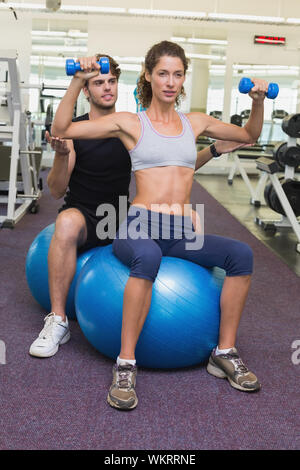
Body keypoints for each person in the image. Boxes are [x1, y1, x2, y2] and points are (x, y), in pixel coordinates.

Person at [51, 41, 267, 410]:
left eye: (178, 74)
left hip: (180, 233)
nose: (170, 81)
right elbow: (64, 127)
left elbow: (249, 136)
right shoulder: (130, 123)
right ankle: (126, 363)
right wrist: (78, 82)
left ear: (184, 79)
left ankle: (224, 351)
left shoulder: (194, 123)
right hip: (138, 227)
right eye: (163, 73)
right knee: (147, 257)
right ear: (149, 75)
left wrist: (258, 101)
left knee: (240, 254)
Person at [29, 50, 242, 360]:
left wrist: (214, 150)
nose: (106, 88)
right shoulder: (78, 130)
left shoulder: (133, 126)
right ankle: (58, 320)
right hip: (88, 214)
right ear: (86, 90)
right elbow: (56, 191)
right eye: (98, 82)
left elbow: (176, 167)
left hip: (124, 214)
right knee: (65, 221)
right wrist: (62, 154)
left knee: (193, 218)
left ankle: (198, 307)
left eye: (111, 81)